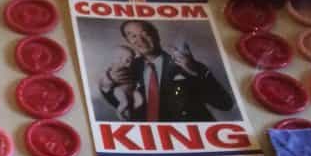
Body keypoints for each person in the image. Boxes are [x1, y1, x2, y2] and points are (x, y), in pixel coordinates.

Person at [98, 20, 234, 121]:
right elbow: (121, 102)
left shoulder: (187, 65)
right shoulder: (128, 68)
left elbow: (225, 104)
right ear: (128, 41)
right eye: (133, 36)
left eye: (145, 34)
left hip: (189, 138)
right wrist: (107, 85)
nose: (140, 40)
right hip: (148, 141)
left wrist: (195, 72)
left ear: (156, 35)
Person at [108, 45, 145, 119]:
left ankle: (131, 112)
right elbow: (109, 76)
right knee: (125, 102)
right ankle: (119, 112)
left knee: (140, 100)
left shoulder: (131, 67)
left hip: (132, 89)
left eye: (131, 59)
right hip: (120, 90)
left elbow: (134, 76)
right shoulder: (116, 67)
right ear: (119, 59)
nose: (130, 62)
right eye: (127, 60)